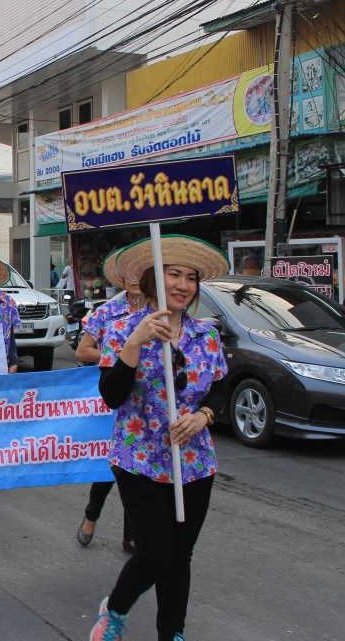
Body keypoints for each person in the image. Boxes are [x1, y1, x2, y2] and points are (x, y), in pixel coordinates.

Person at [88, 235, 229, 641]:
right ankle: (114, 611)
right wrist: (135, 343)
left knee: (180, 556)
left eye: (191, 278)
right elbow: (112, 396)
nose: (183, 285)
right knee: (154, 553)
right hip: (140, 459)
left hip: (195, 462)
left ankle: (172, 633)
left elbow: (220, 386)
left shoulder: (206, 335)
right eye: (174, 274)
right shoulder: (121, 330)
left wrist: (204, 415)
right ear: (152, 279)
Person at [73, 250, 139, 552]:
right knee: (112, 466)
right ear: (121, 278)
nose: (135, 279)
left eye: (142, 273)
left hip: (146, 404)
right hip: (113, 398)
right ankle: (91, 515)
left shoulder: (160, 311)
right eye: (130, 273)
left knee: (137, 470)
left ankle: (131, 534)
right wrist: (123, 358)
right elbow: (82, 351)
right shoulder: (108, 312)